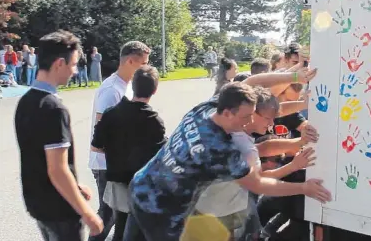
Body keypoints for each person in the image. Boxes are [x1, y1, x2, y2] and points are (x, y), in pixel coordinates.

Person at [127, 82, 331, 241]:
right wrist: (303, 188)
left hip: (141, 182)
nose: (249, 122)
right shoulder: (219, 150)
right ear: (227, 112)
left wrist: (294, 79)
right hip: (159, 208)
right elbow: (258, 183)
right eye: (245, 117)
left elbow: (254, 82)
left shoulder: (205, 108)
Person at [194, 87, 318, 241]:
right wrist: (301, 184)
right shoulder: (243, 145)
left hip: (210, 208)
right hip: (222, 216)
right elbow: (259, 182)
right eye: (268, 119)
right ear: (252, 113)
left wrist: (300, 140)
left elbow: (263, 147)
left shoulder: (231, 127)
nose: (272, 123)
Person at [14, 30, 104, 241]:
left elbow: (38, 157)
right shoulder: (54, 108)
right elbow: (57, 169)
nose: (74, 71)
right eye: (73, 65)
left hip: (37, 202)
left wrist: (74, 184)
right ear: (59, 64)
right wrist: (87, 213)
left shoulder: (26, 101)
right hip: (59, 209)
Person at [91, 65, 164, 241]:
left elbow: (96, 146)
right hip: (142, 185)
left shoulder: (112, 114)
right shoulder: (154, 121)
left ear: (133, 84)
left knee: (120, 224)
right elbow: (160, 155)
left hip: (117, 181)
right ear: (154, 90)